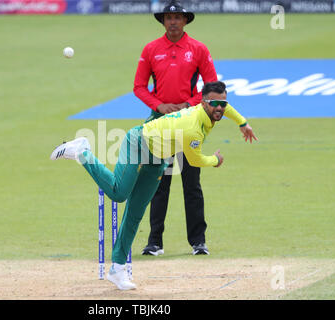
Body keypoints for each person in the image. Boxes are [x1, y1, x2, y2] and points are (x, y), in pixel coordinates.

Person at [50, 81, 258, 290]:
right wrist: (215, 160)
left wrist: (242, 123)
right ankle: (82, 152)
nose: (220, 108)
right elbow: (195, 161)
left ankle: (118, 268)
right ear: (203, 103)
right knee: (118, 193)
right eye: (215, 104)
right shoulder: (192, 128)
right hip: (138, 142)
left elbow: (226, 108)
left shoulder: (213, 108)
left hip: (158, 160)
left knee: (136, 212)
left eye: (223, 103)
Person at [134, 0, 222, 256]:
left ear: (185, 21)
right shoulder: (151, 49)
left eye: (177, 17)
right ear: (163, 21)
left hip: (189, 123)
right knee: (157, 183)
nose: (173, 21)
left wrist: (189, 104)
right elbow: (139, 87)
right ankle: (154, 242)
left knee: (191, 183)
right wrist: (159, 105)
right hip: (160, 125)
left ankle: (198, 241)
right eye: (168, 18)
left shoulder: (198, 49)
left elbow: (212, 87)